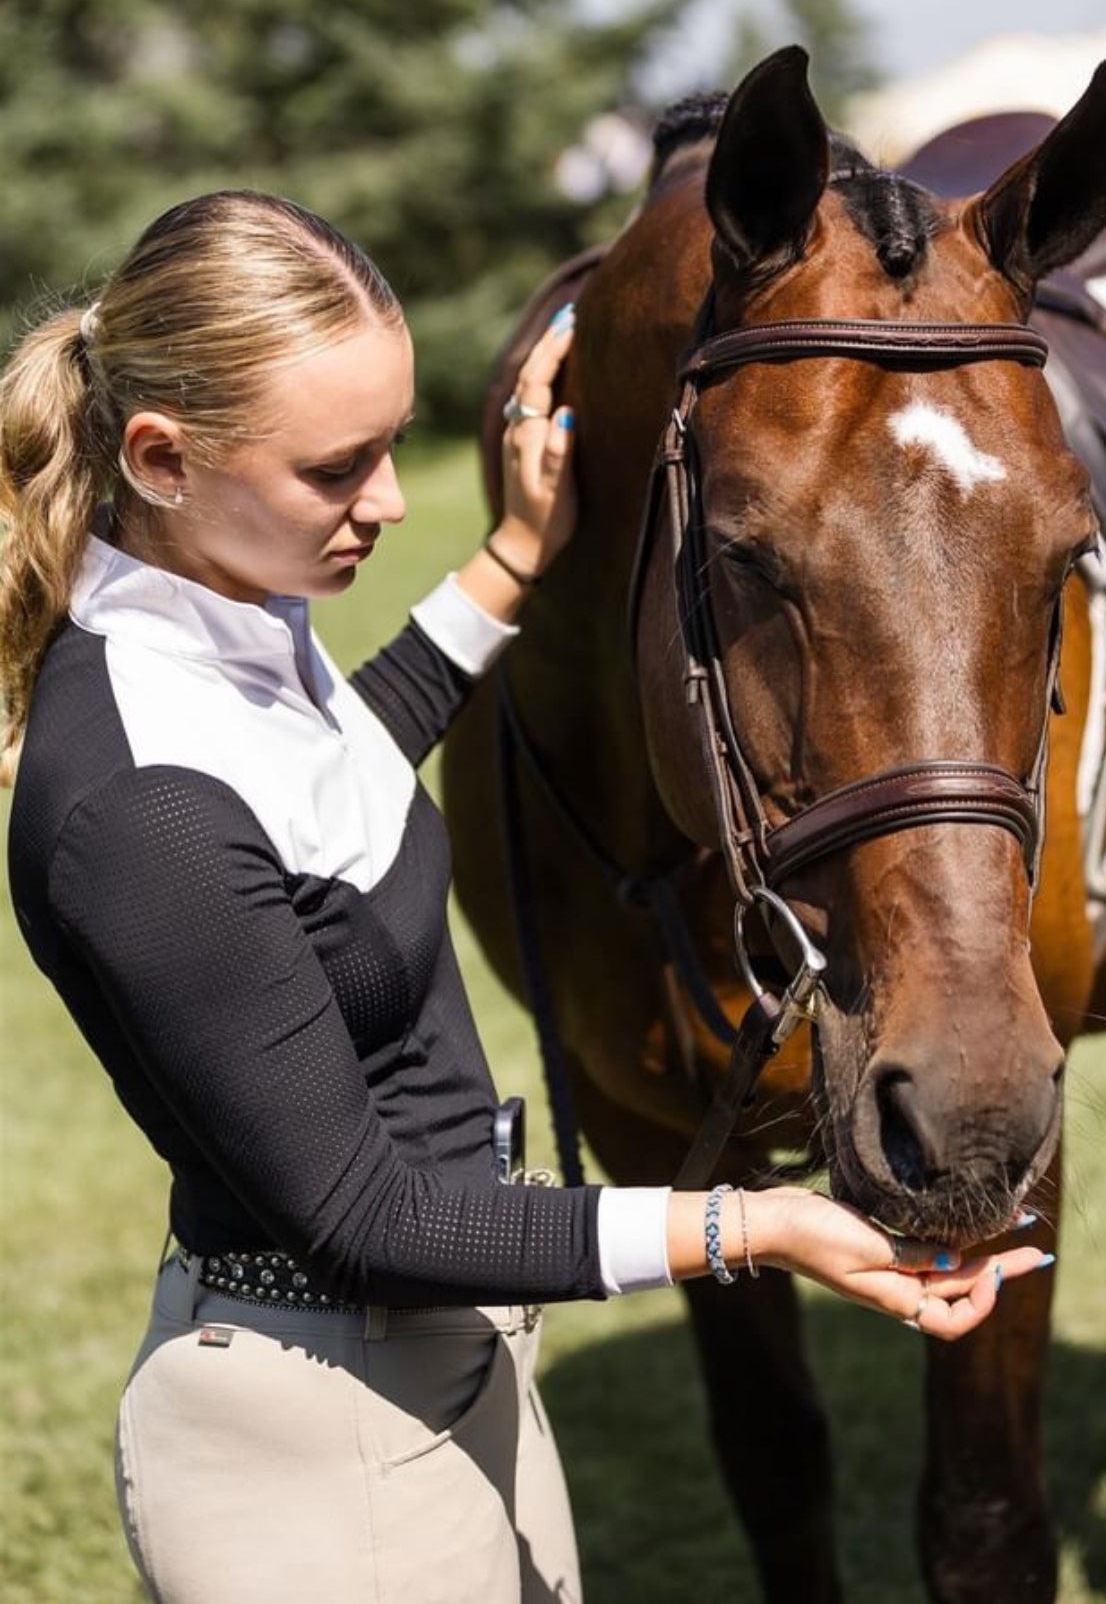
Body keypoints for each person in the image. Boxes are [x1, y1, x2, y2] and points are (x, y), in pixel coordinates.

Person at [0, 191, 1052, 1604]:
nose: (383, 496)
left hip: (427, 1369)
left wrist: (508, 557)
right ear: (160, 457)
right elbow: (366, 1214)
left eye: (389, 445)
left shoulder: (221, 628)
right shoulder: (132, 801)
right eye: (340, 465)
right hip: (324, 1444)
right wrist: (762, 1223)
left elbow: (326, 782)